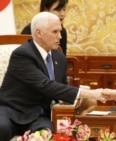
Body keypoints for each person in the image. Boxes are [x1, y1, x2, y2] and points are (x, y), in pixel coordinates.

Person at [0, 12, 106, 141]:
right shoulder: (22, 54)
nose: (60, 36)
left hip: (38, 116)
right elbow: (46, 86)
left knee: (46, 134)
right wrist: (90, 94)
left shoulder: (59, 58)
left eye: (60, 31)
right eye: (55, 32)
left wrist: (82, 102)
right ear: (39, 33)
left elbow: (60, 90)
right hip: (12, 112)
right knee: (1, 128)